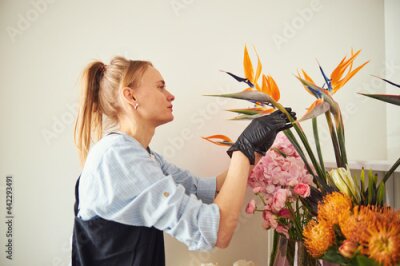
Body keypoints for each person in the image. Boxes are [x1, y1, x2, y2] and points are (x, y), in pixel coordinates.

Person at [71, 56, 296, 266]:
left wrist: (253, 153)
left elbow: (207, 189)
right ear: (131, 96)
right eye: (160, 87)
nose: (170, 95)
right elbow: (216, 231)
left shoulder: (141, 155)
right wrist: (242, 150)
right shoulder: (118, 157)